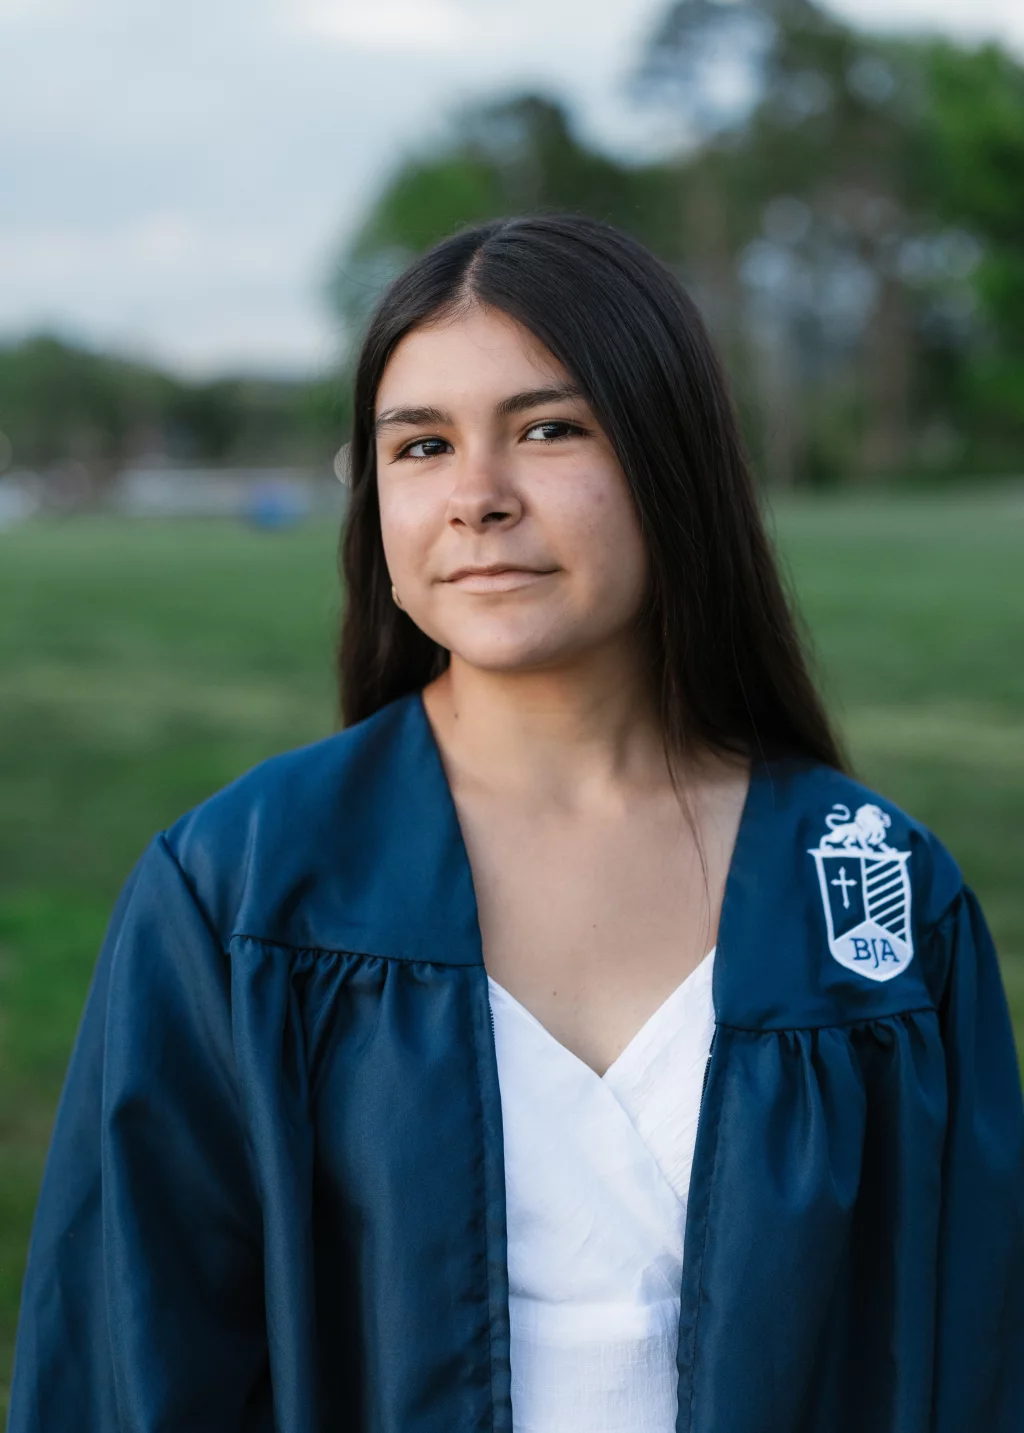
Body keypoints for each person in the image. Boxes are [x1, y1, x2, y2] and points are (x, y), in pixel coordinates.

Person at [8, 213, 1023, 1433]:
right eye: (421, 445)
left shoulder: (868, 897)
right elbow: (132, 1362)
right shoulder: (241, 889)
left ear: (671, 459)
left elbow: (973, 1353)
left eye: (548, 428)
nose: (477, 496)